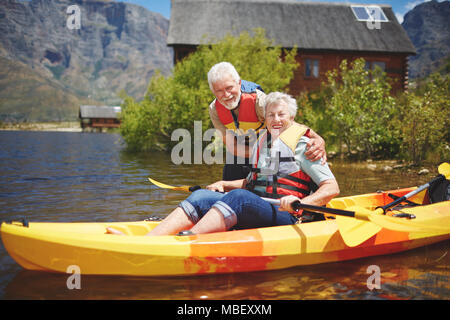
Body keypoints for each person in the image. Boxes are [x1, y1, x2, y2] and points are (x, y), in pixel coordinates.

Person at [107, 92, 339, 236]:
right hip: (260, 206)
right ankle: (151, 240)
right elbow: (252, 183)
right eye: (270, 115)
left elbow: (331, 188)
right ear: (265, 118)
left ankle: (187, 240)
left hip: (288, 215)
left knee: (239, 199)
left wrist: (301, 203)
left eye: (281, 115)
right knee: (200, 197)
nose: (276, 120)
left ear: (292, 117)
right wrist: (224, 184)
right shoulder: (262, 142)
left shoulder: (306, 145)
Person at [207, 62, 327, 181]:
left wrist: (318, 139)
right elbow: (233, 147)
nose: (226, 95)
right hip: (242, 151)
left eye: (229, 88)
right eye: (220, 91)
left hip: (270, 148)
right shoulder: (214, 110)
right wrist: (257, 153)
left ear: (239, 83)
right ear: (213, 92)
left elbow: (287, 123)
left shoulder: (259, 101)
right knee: (231, 167)